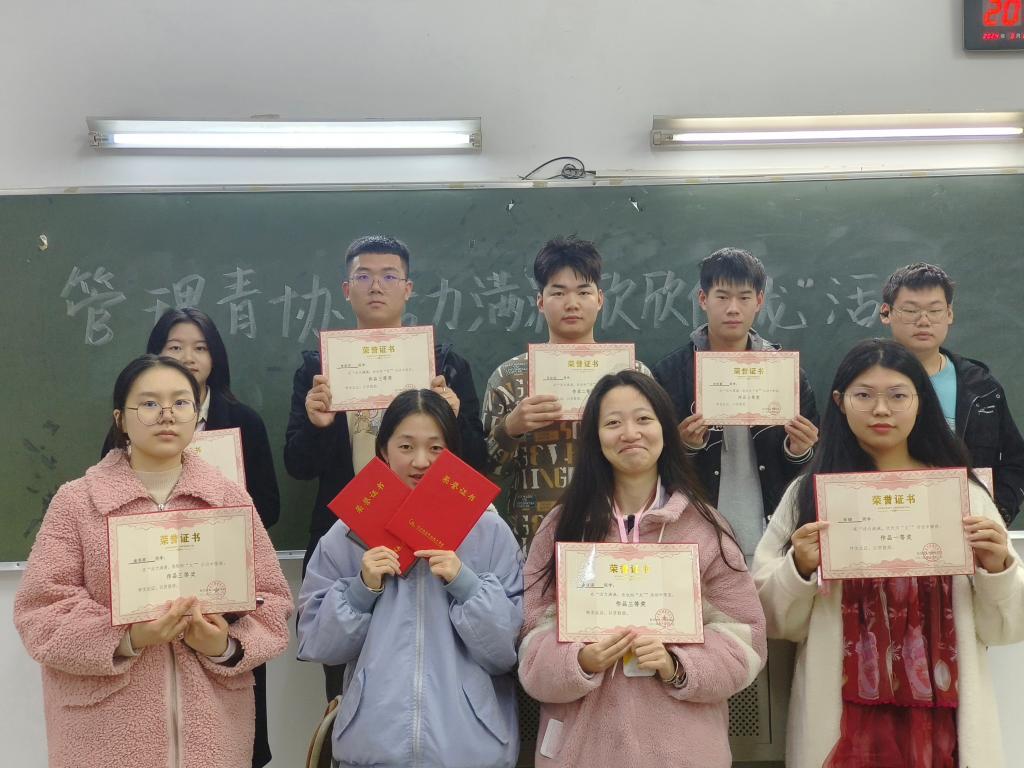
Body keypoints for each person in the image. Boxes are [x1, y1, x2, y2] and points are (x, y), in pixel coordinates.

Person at [753, 339, 1024, 767]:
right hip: (844, 720)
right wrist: (799, 568)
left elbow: (1006, 629)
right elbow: (773, 621)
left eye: (898, 396)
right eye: (864, 395)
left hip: (944, 720)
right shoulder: (809, 495)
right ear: (840, 402)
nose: (881, 410)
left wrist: (998, 569)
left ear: (921, 402)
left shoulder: (961, 494)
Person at [15, 354, 292, 768]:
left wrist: (222, 645)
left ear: (196, 415)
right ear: (121, 419)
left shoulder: (228, 499)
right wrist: (129, 637)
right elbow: (41, 610)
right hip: (103, 738)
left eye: (181, 402)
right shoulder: (77, 502)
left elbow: (272, 601)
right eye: (148, 403)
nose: (167, 414)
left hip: (212, 736)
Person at [518, 369, 766, 767]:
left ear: (664, 428)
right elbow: (532, 642)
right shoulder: (563, 526)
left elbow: (746, 640)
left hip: (684, 751)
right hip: (583, 751)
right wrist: (579, 661)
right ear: (595, 438)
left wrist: (676, 664)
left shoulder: (705, 527)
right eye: (613, 423)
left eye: (643, 419)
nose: (630, 433)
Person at [285, 234, 488, 698]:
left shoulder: (444, 365)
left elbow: (478, 463)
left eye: (389, 276)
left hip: (439, 544)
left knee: (434, 677)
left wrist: (455, 420)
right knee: (345, 681)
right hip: (348, 544)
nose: (376, 286)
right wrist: (317, 426)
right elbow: (297, 465)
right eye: (364, 276)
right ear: (346, 289)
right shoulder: (318, 369)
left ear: (408, 289)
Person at [296, 389, 523, 768]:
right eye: (405, 446)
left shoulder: (489, 530)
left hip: (470, 751)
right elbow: (316, 644)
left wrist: (465, 584)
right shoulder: (348, 533)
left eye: (436, 448)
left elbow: (505, 653)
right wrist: (360, 591)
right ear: (383, 452)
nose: (421, 461)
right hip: (373, 750)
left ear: (453, 453)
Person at [100, 307, 281, 766]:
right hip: (145, 610)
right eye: (175, 347)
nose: (188, 356)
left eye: (200, 347)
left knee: (231, 735)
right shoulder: (101, 469)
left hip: (219, 597)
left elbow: (270, 510)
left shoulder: (243, 420)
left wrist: (217, 520)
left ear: (215, 356)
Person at [482, 235, 650, 551]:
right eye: (558, 293)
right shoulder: (509, 378)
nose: (572, 303)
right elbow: (483, 476)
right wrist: (510, 429)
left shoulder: (633, 375)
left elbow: (656, 456)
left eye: (583, 292)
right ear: (540, 301)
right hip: (534, 540)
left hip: (619, 538)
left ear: (600, 299)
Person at [652, 247, 819, 562]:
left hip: (771, 534)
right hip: (696, 535)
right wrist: (686, 446)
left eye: (744, 298)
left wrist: (798, 450)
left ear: (759, 301)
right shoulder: (671, 374)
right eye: (722, 297)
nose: (733, 308)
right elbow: (653, 464)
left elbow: (809, 468)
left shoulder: (786, 374)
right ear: (703, 299)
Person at [881, 262, 1024, 524]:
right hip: (886, 525)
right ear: (886, 313)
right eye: (911, 310)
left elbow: (1016, 462)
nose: (923, 321)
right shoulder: (863, 385)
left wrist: (997, 513)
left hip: (965, 529)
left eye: (935, 310)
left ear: (949, 314)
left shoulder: (981, 387)